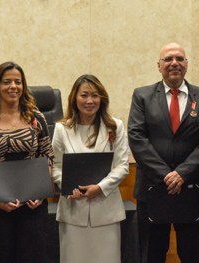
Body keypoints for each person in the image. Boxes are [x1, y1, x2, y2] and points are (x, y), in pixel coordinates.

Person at [128, 42, 199, 263]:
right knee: (152, 254)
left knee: (192, 253)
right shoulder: (142, 96)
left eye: (179, 58)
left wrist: (182, 173)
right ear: (158, 66)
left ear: (186, 64)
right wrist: (166, 175)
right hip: (153, 188)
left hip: (192, 188)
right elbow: (137, 138)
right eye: (168, 59)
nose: (174, 63)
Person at [0, 61, 54, 263]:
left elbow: (47, 155)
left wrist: (40, 193)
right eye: (7, 82)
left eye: (18, 82)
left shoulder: (36, 118)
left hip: (33, 207)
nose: (13, 86)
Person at [51, 74, 129, 263]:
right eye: (84, 95)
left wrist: (100, 188)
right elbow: (55, 165)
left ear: (102, 98)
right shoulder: (62, 128)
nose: (89, 101)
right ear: (74, 98)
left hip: (106, 211)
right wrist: (69, 186)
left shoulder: (114, 126)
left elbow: (122, 166)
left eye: (95, 95)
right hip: (73, 210)